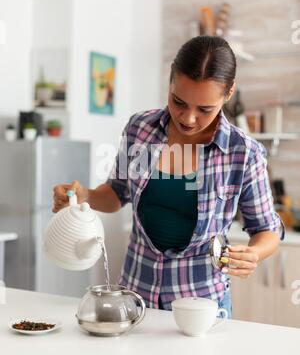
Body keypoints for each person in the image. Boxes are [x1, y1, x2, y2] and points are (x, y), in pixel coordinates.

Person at [53, 36, 284, 318]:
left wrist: (254, 254)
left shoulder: (244, 153)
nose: (187, 118)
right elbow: (117, 193)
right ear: (171, 77)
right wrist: (85, 196)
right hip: (135, 295)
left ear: (229, 93)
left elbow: (267, 229)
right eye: (178, 102)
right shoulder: (141, 129)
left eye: (204, 109)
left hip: (200, 305)